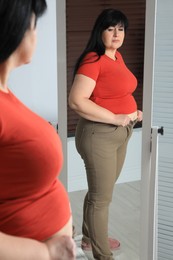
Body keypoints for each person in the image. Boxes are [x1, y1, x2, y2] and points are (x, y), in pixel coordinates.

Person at [0, 0, 76, 259]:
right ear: (14, 27)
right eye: (34, 24)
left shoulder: (6, 94)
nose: (36, 33)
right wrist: (44, 252)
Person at [69, 8, 143, 260]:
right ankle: (103, 255)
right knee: (102, 198)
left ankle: (90, 238)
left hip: (120, 133)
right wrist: (114, 117)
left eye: (120, 28)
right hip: (98, 135)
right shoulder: (93, 60)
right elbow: (77, 101)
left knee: (101, 190)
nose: (116, 34)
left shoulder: (116, 57)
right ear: (100, 31)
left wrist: (133, 111)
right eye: (110, 28)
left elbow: (115, 91)